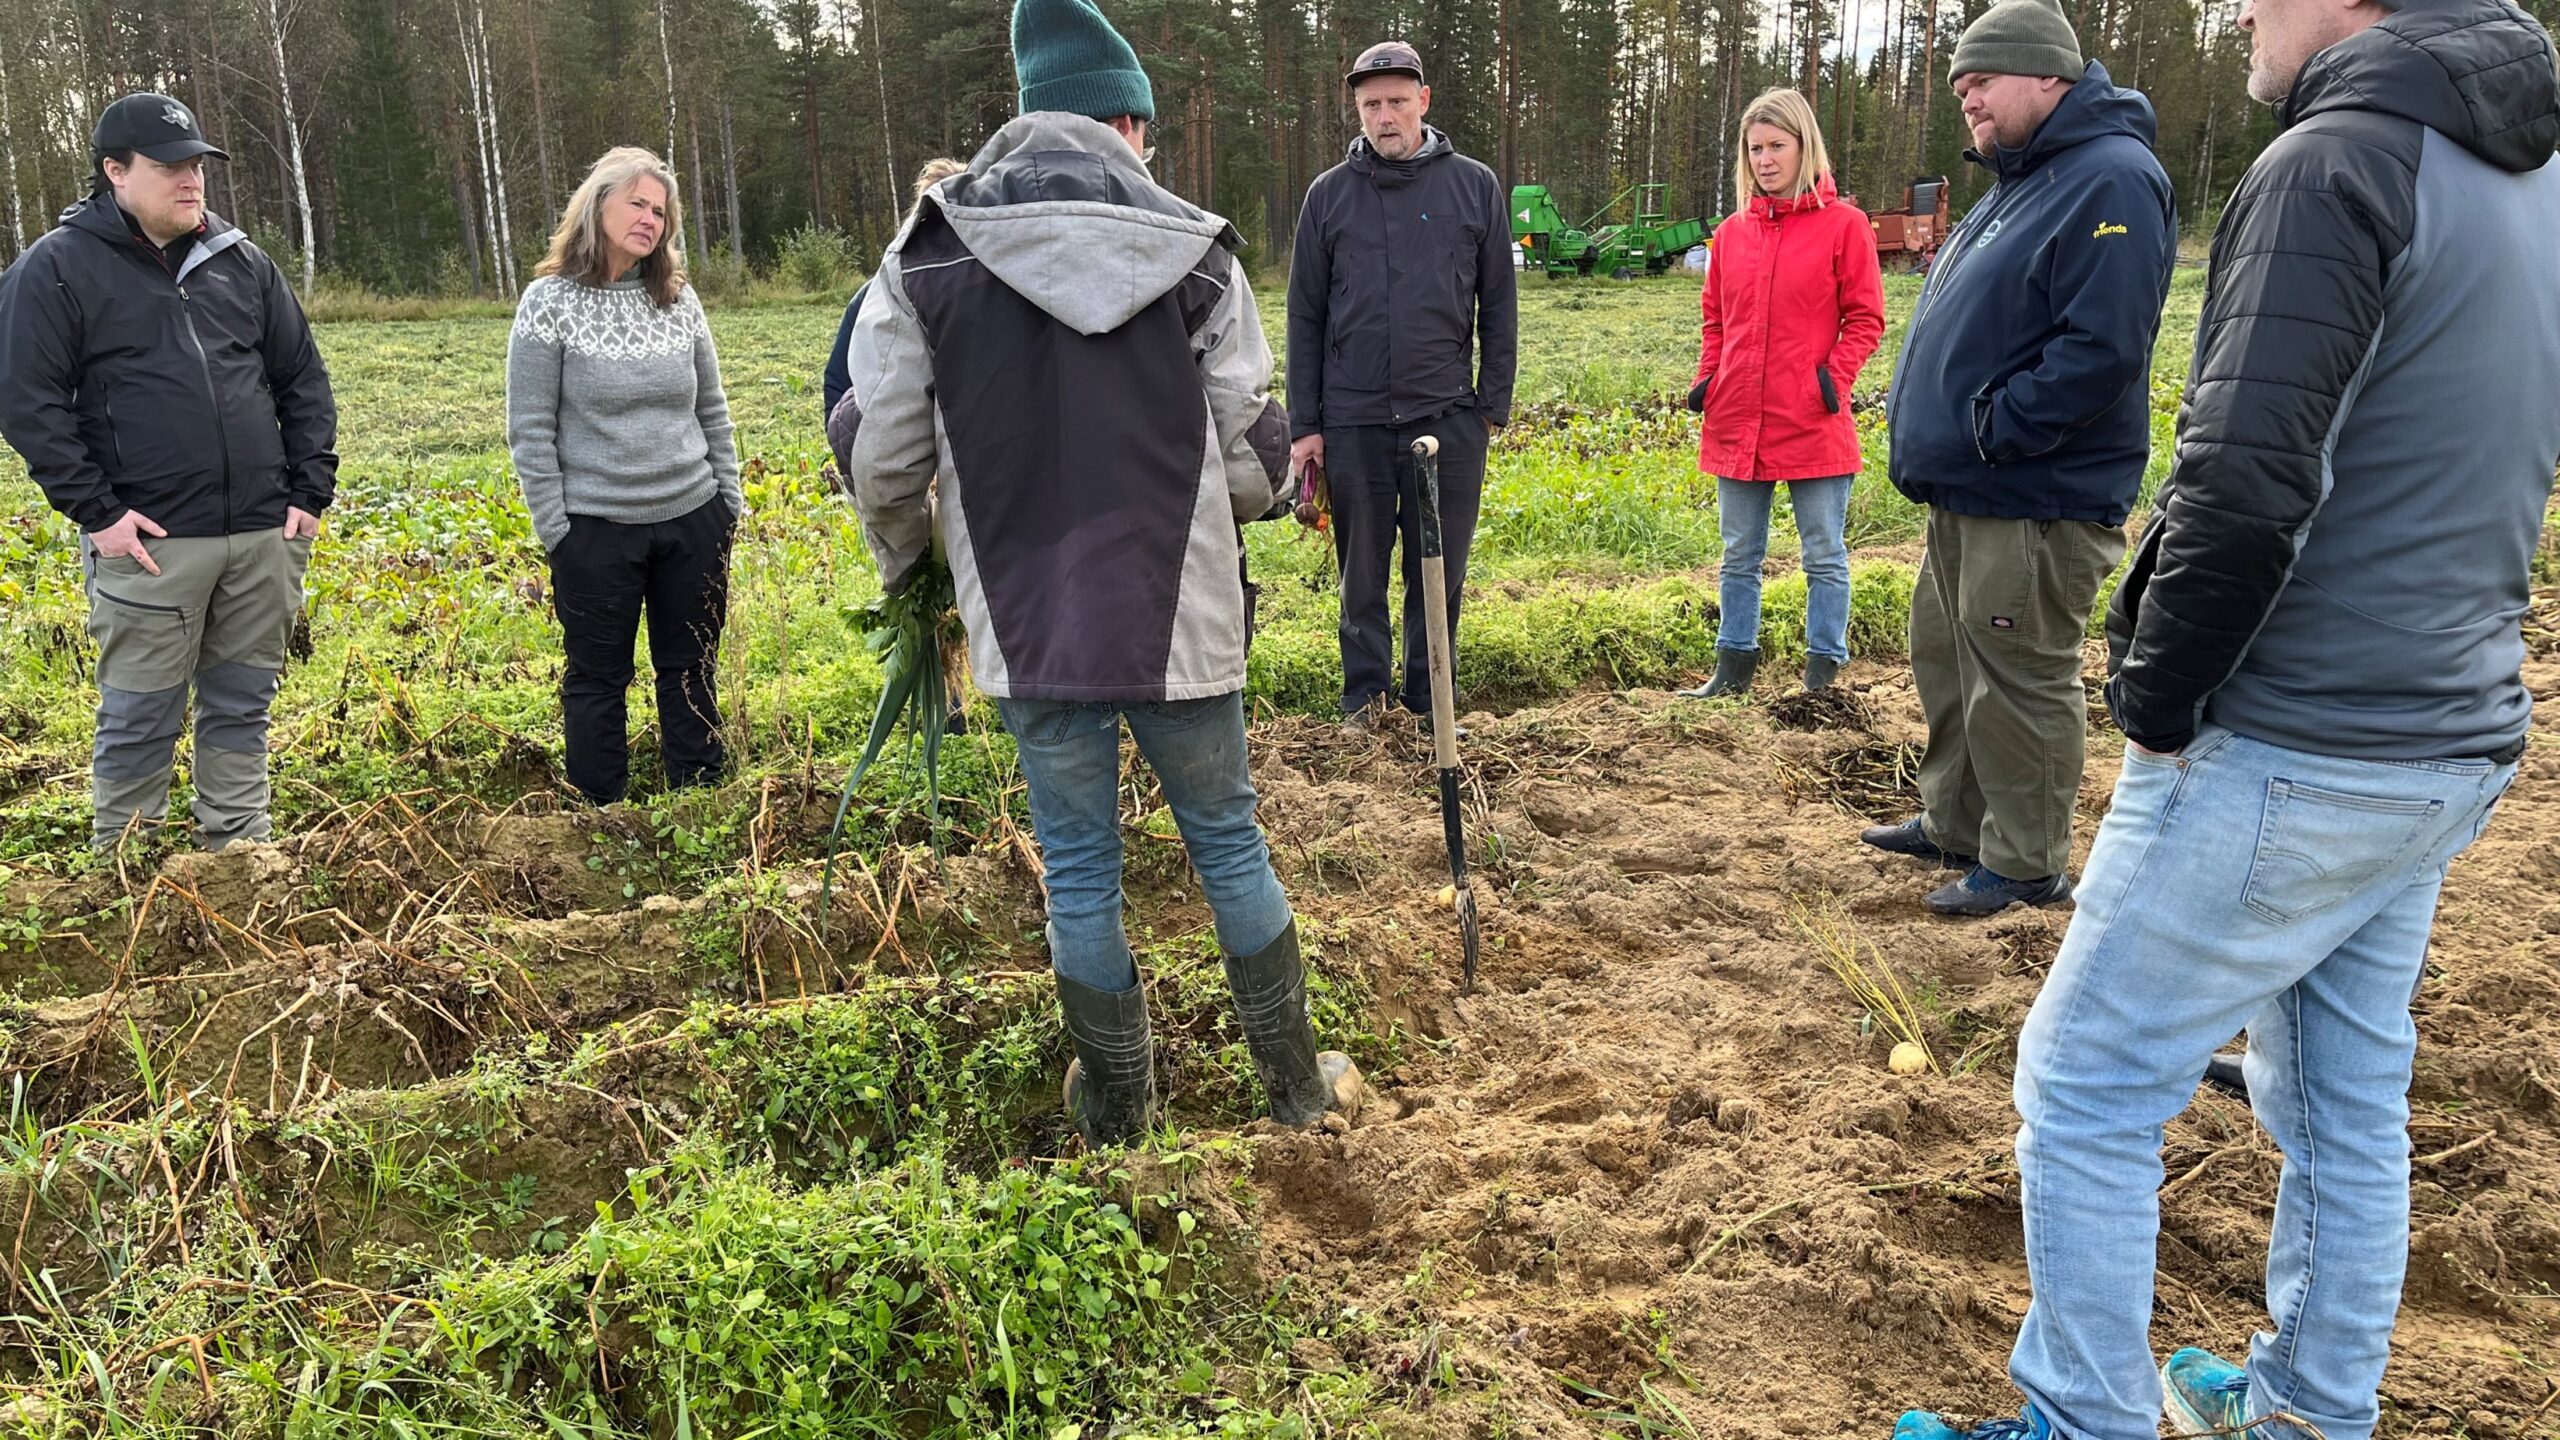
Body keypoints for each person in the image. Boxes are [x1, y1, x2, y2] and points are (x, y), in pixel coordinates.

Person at [1896, 0, 2560, 1431]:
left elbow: (2248, 475)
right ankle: (2313, 1410)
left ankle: (2082, 1416)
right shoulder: (2529, 168)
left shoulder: (2337, 161)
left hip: (2298, 728)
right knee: (2338, 1096)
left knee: (2084, 1080)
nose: (2240, 12)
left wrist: (2159, 692)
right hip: (2447, 727)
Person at [840, 0, 1363, 1148]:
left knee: (1078, 864)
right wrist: (1218, 510)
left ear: (1032, 115)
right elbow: (1250, 456)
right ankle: (1295, 1090)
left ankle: (1118, 1110)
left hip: (1028, 625)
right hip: (1176, 610)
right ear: (1125, 121)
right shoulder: (1196, 249)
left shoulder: (926, 252)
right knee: (1226, 837)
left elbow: (882, 452)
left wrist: (914, 567)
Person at [1863, 0, 2175, 917]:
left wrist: (1996, 427)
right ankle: (1957, 821)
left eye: (1982, 82)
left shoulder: (2111, 178)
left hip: (2034, 490)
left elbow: (2103, 347)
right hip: (1971, 486)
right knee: (1948, 658)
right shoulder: (2023, 179)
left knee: (2018, 674)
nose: (1968, 100)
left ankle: (2028, 860)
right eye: (1960, 87)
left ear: (2049, 75)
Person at [0, 93, 337, 852]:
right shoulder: (56, 270)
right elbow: (26, 402)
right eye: (169, 167)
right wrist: (98, 513)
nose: (191, 181)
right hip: (150, 543)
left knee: (243, 704)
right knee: (141, 710)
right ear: (115, 171)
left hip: (260, 535)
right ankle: (127, 863)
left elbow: (302, 380)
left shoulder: (241, 262)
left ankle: (240, 851)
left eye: (197, 167)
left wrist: (308, 493)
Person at [1286, 39, 1517, 731]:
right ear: (1356, 111)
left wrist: (1488, 410)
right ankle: (1365, 702)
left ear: (1423, 99)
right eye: (1369, 105)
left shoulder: (1474, 186)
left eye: (1395, 101)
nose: (1383, 116)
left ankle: (1428, 701)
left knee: (1437, 575)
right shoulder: (1328, 197)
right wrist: (1307, 426)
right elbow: (1304, 315)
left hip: (1447, 419)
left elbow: (1499, 307)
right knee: (1361, 576)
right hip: (1353, 421)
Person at [507, 147, 742, 806]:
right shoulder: (549, 302)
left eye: (660, 211)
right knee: (597, 679)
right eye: (637, 203)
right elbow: (529, 428)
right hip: (596, 531)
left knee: (690, 670)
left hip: (693, 519)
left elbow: (712, 408)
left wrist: (728, 503)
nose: (649, 219)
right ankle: (599, 816)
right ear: (597, 205)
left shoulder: (678, 298)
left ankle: (699, 807)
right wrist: (558, 530)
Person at [1677, 87, 1885, 699]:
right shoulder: (1732, 234)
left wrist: (1832, 380)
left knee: (1823, 553)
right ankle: (1732, 666)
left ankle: (1824, 673)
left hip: (1812, 416)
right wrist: (1706, 379)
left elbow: (1866, 318)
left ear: (1804, 146)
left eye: (1777, 146)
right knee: (1739, 552)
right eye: (1755, 148)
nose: (1765, 159)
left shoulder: (1845, 226)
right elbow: (1715, 318)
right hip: (1736, 415)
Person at [820, 157, 966, 430]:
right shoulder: (873, 298)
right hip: (897, 462)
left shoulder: (989, 295)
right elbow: (839, 388)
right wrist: (853, 449)